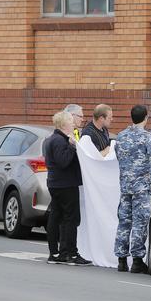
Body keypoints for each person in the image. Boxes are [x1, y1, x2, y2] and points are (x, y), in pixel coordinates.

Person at [114, 105, 151, 273]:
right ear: (146, 118)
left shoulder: (121, 136)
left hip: (125, 186)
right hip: (141, 187)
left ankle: (121, 260)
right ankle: (136, 260)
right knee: (139, 223)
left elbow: (118, 157)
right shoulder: (147, 138)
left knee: (124, 222)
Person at [43, 111, 92, 266]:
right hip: (65, 184)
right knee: (71, 218)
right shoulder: (59, 141)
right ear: (63, 124)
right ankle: (70, 252)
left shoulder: (56, 139)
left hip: (58, 184)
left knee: (58, 216)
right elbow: (63, 162)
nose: (73, 123)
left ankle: (58, 252)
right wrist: (72, 147)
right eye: (71, 121)